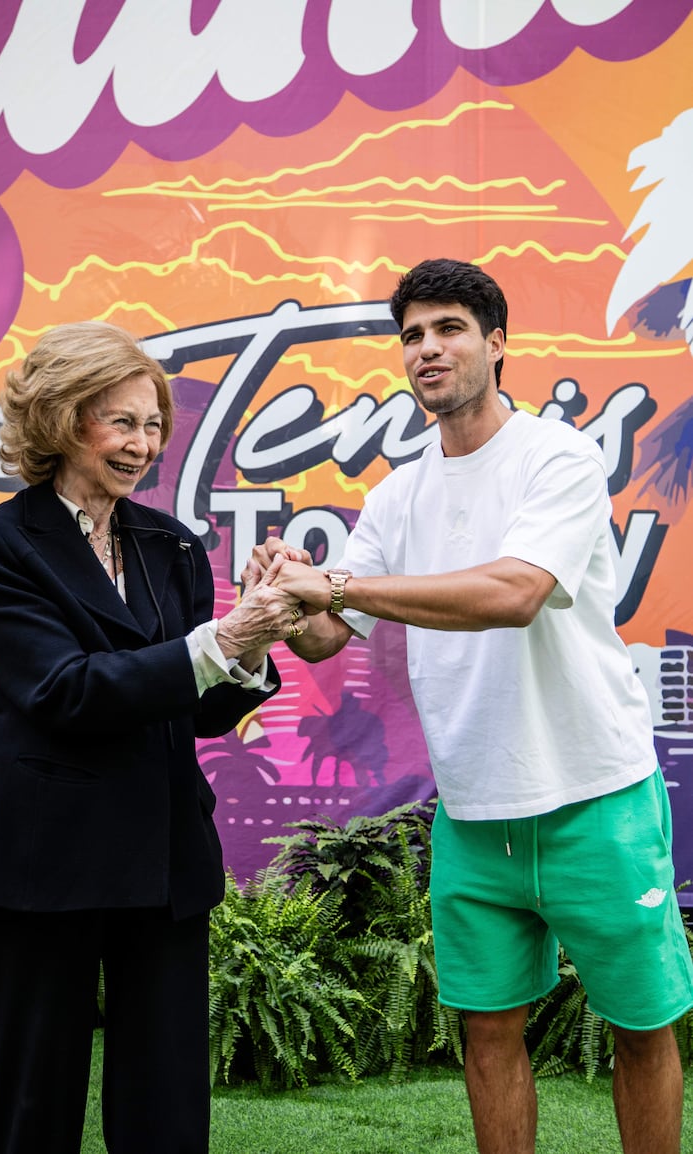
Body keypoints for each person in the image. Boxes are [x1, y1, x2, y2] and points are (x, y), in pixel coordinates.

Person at [252, 259, 693, 1154]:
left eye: (449, 327)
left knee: (641, 1026)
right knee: (487, 1032)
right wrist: (289, 599)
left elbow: (516, 591)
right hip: (472, 810)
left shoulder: (557, 456)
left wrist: (337, 584)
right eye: (411, 334)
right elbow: (332, 637)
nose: (427, 349)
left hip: (594, 796)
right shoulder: (397, 493)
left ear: (497, 343)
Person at [0, 321, 306, 1154]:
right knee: (22, 1110)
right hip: (36, 861)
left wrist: (246, 641)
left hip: (163, 858)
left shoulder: (170, 544)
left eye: (152, 427)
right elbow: (61, 690)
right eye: (121, 423)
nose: (143, 445)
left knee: (166, 1114)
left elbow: (199, 708)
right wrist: (217, 641)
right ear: (63, 420)